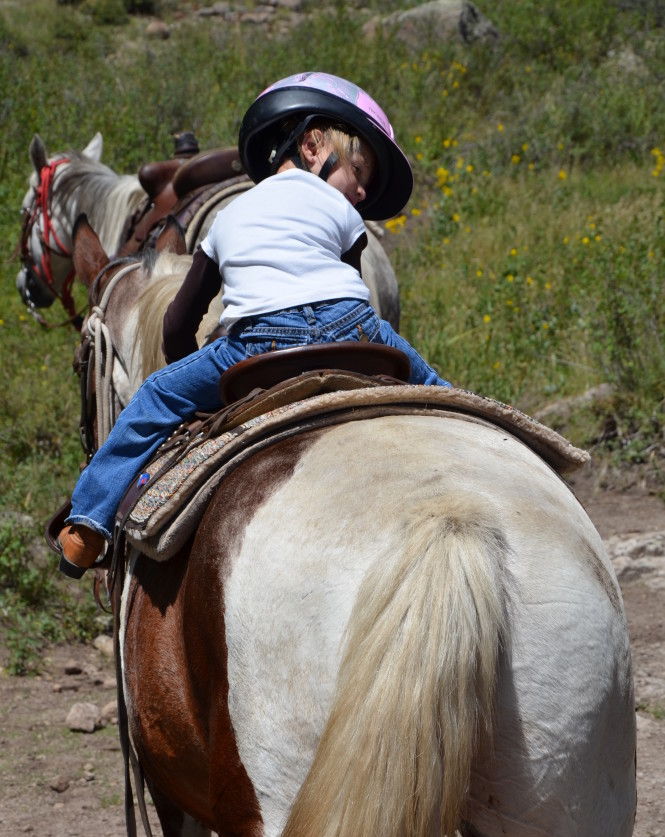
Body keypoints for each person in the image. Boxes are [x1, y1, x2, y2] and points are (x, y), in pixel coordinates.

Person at [58, 71, 452, 577]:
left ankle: (88, 524)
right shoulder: (342, 209)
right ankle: (489, 427)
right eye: (359, 171)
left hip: (258, 343)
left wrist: (192, 366)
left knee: (154, 397)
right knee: (428, 380)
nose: (359, 191)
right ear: (314, 146)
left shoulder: (227, 220)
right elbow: (343, 285)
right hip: (354, 325)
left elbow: (179, 323)